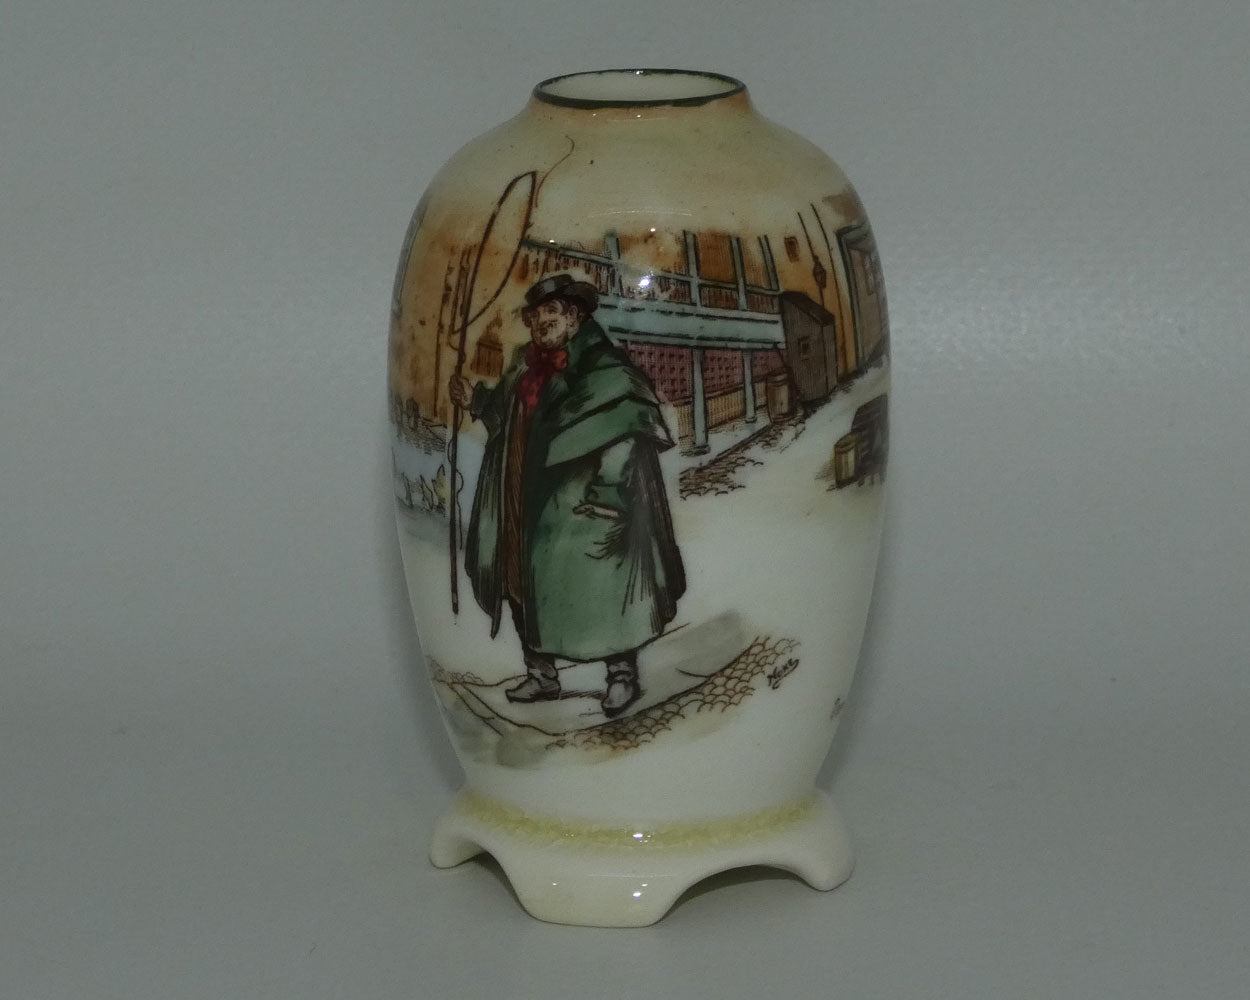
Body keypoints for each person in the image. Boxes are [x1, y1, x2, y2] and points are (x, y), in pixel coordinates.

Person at [449, 273, 685, 718]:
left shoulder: (606, 369)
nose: (542, 321)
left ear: (574, 318)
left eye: (552, 312)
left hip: (583, 505)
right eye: (536, 314)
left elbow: (627, 431)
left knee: (605, 589)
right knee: (519, 582)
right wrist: (476, 400)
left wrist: (609, 494)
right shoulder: (524, 366)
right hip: (522, 497)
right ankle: (541, 675)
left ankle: (621, 675)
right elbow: (504, 414)